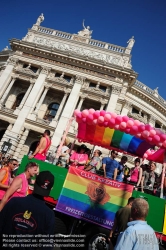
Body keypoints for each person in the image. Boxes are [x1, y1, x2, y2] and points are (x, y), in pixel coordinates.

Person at [0, 171, 55, 249]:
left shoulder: (14, 202)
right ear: (51, 188)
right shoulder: (49, 215)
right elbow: (46, 245)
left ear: (34, 182)